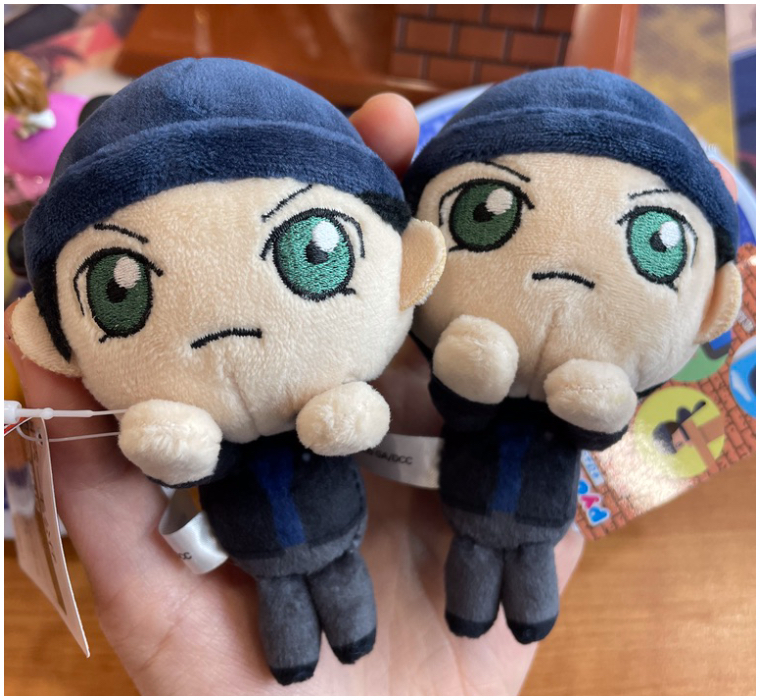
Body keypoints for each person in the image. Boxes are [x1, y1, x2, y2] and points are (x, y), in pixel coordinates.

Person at [5, 92, 584, 695]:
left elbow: (442, 417)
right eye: (118, 292)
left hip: (413, 514)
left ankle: (424, 622)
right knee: (289, 605)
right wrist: (184, 451)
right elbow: (206, 461)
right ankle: (309, 653)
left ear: (410, 265)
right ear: (51, 338)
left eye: (312, 254)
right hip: (264, 547)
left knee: (402, 575)